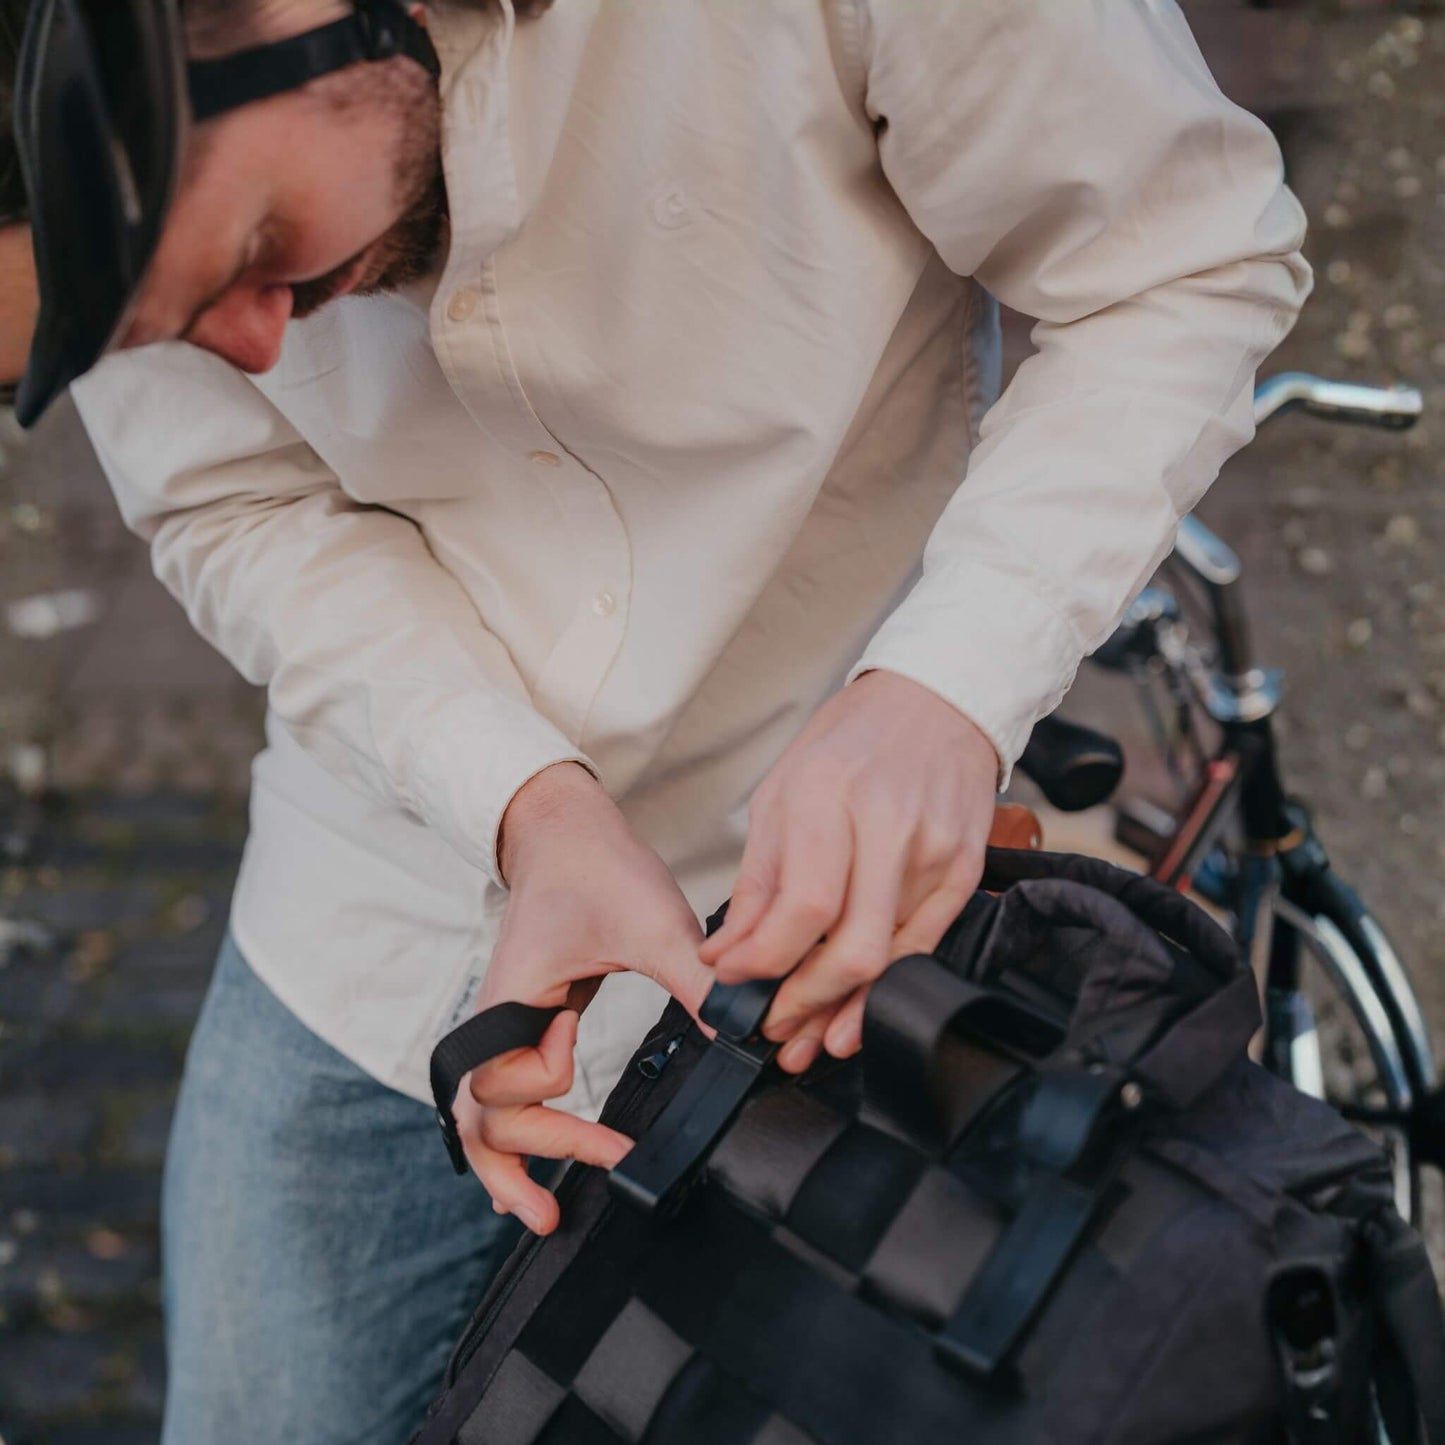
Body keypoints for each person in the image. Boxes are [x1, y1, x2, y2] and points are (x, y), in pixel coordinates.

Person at [9, 0, 1312, 1439]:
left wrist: (942, 688)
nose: (251, 347)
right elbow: (228, 496)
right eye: (161, 329)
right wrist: (528, 806)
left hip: (817, 947)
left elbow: (1174, 264)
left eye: (253, 249)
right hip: (365, 915)